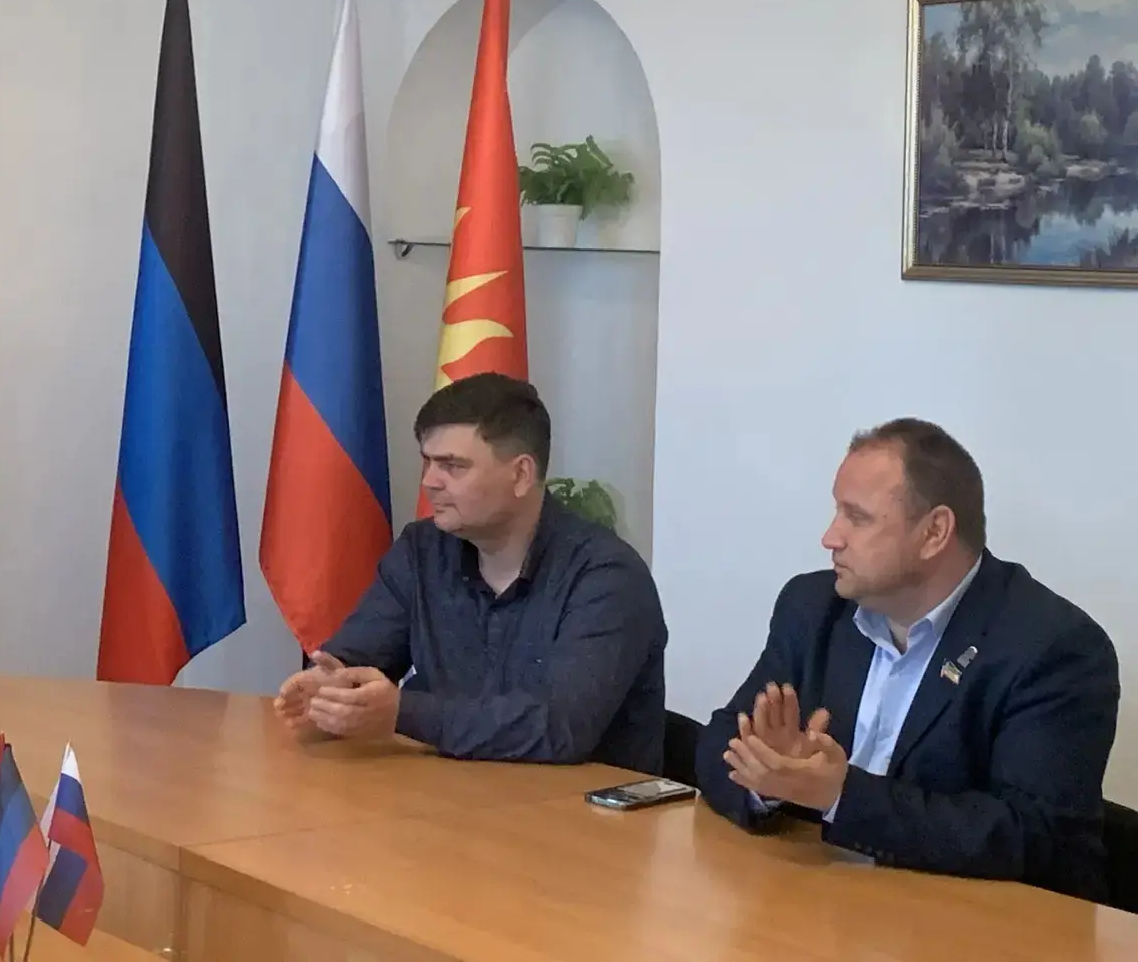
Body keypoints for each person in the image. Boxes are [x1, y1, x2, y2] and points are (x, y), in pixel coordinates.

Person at [697, 419, 1119, 901]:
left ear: (934, 532)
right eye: (837, 511)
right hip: (821, 902)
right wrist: (771, 781)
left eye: (857, 518)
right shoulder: (813, 607)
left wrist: (840, 796)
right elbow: (720, 739)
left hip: (971, 921)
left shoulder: (1053, 647)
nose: (830, 537)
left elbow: (1034, 837)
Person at [273, 372, 667, 770]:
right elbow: (358, 659)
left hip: (579, 803)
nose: (429, 482)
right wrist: (330, 686)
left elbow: (560, 727)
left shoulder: (607, 577)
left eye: (452, 466)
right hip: (451, 791)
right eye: (427, 461)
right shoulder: (421, 551)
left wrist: (401, 713)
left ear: (521, 474)